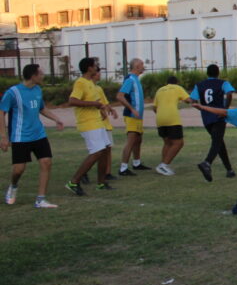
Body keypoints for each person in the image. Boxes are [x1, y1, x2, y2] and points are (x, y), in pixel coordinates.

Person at [0, 64, 64, 208]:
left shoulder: (37, 89)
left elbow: (41, 108)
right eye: (40, 73)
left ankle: (40, 199)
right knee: (19, 169)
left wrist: (56, 119)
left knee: (46, 162)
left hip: (39, 134)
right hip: (20, 136)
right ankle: (13, 185)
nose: (43, 76)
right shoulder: (13, 92)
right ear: (33, 76)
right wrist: (3, 137)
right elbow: (1, 112)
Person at [66, 57, 118, 196]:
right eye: (95, 65)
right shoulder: (80, 82)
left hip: (98, 122)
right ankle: (74, 182)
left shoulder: (91, 83)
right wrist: (94, 104)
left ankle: (101, 183)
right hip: (88, 123)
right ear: (89, 68)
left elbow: (97, 103)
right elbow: (72, 101)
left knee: (105, 150)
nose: (97, 68)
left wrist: (101, 109)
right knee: (96, 152)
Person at [191, 64, 237, 181]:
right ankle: (207, 163)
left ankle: (229, 170)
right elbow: (229, 93)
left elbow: (193, 100)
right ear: (218, 73)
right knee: (217, 142)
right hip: (218, 116)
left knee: (219, 141)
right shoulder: (223, 83)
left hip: (206, 118)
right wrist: (225, 108)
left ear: (207, 73)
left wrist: (202, 108)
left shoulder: (199, 85)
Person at [115, 58, 152, 176]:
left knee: (138, 139)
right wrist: (131, 109)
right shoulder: (130, 79)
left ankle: (137, 163)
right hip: (131, 116)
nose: (143, 66)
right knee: (131, 141)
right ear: (136, 66)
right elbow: (120, 96)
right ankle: (123, 168)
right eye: (142, 64)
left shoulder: (136, 79)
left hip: (138, 117)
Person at [152, 76, 193, 176]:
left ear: (166, 83)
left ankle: (163, 165)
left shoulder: (159, 90)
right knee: (179, 143)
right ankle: (164, 165)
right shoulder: (177, 88)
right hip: (172, 118)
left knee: (167, 143)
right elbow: (188, 100)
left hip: (160, 119)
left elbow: (154, 107)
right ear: (177, 82)